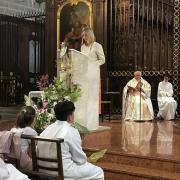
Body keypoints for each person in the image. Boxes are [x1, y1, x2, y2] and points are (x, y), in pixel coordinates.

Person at [37, 101, 104, 180]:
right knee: (98, 172)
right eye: (73, 113)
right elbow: (80, 160)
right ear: (70, 116)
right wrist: (87, 159)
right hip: (63, 172)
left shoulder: (47, 129)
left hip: (43, 170)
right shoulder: (71, 131)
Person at [81, 27, 105, 130]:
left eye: (85, 35)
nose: (84, 37)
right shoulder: (82, 47)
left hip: (94, 74)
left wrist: (94, 64)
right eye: (83, 36)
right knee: (85, 97)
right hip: (84, 75)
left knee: (92, 98)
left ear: (90, 35)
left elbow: (102, 59)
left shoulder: (97, 46)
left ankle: (93, 121)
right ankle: (85, 119)